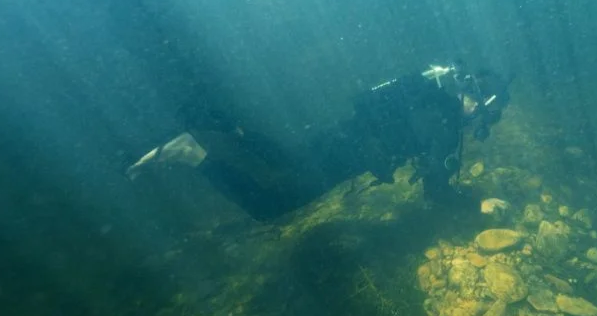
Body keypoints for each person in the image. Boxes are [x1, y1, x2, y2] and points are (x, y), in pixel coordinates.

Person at [126, 63, 510, 219]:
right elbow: (436, 193)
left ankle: (228, 127)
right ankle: (194, 155)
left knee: (283, 155)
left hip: (346, 132)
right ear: (477, 102)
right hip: (349, 156)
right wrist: (479, 203)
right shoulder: (444, 125)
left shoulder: (426, 90)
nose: (478, 121)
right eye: (484, 113)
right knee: (270, 207)